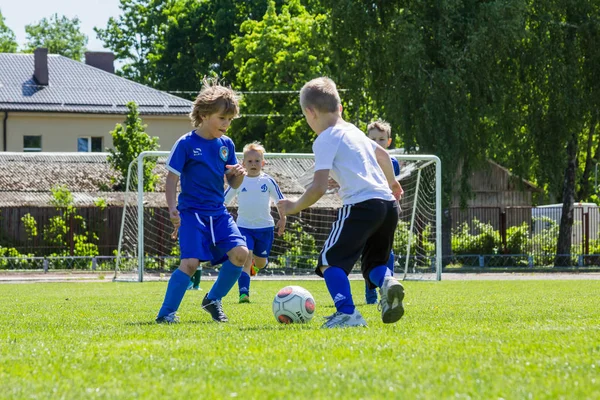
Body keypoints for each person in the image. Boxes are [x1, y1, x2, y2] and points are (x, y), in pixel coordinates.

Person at [278, 77, 405, 328]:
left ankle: (347, 313)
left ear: (310, 112)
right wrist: (392, 182)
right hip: (388, 205)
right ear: (341, 108)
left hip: (362, 205)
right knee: (375, 265)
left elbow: (319, 187)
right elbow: (383, 155)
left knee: (329, 261)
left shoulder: (325, 138)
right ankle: (388, 282)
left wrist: (294, 206)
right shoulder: (355, 132)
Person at [155, 77, 249, 324]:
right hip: (192, 213)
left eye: (230, 120)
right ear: (205, 114)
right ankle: (166, 314)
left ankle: (212, 299)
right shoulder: (186, 143)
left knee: (241, 253)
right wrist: (172, 208)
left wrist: (236, 177)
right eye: (222, 118)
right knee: (190, 263)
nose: (227, 124)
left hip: (218, 213)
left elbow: (233, 184)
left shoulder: (226, 144)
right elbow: (171, 178)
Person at [224, 141, 286, 303]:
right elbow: (223, 201)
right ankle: (244, 293)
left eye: (257, 161)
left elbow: (280, 201)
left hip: (265, 228)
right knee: (245, 257)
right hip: (244, 227)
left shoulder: (268, 181)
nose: (253, 164)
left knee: (261, 262)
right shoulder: (238, 181)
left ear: (263, 163)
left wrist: (283, 218)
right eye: (249, 161)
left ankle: (255, 266)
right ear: (243, 163)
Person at [364, 119, 403, 304]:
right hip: (368, 210)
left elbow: (393, 186)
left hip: (387, 211)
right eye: (373, 139)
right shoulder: (362, 162)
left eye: (381, 139)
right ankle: (370, 295)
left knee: (388, 251)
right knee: (369, 252)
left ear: (388, 141)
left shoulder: (393, 163)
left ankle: (388, 288)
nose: (377, 143)